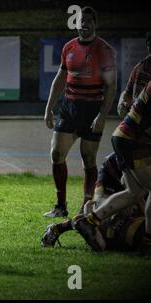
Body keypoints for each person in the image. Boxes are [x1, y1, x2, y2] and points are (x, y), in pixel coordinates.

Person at [43, 6, 117, 218]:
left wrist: (102, 116)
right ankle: (60, 206)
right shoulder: (68, 47)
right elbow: (60, 79)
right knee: (56, 154)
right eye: (80, 21)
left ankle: (86, 208)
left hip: (92, 108)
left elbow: (111, 87)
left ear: (94, 24)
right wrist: (49, 108)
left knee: (88, 158)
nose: (83, 25)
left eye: (88, 21)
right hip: (69, 107)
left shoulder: (104, 50)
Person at [74, 80, 151, 255]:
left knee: (135, 192)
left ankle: (90, 221)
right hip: (135, 141)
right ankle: (147, 244)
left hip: (125, 137)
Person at [41, 152, 146, 250]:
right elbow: (137, 191)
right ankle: (58, 228)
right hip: (113, 175)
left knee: (111, 235)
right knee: (100, 230)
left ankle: (91, 220)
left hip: (132, 175)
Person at [117, 32, 151, 118]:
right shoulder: (139, 68)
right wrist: (122, 103)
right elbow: (127, 92)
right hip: (140, 122)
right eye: (149, 44)